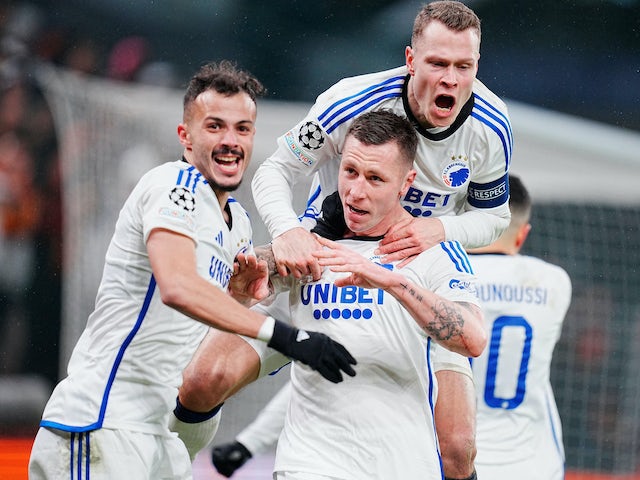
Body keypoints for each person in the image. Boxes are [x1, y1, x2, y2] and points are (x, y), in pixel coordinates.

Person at [175, 3, 511, 479]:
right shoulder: (351, 99)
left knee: (457, 449)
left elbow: (494, 215)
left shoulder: (492, 127)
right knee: (203, 380)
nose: (452, 79)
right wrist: (290, 232)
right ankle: (170, 469)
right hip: (319, 257)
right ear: (412, 59)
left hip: (418, 272)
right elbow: (276, 169)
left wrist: (439, 228)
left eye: (465, 66)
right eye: (438, 63)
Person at [27, 60, 356, 480]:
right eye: (214, 126)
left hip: (162, 437)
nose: (230, 141)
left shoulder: (236, 223)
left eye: (242, 129)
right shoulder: (174, 185)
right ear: (186, 136)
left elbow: (195, 331)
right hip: (103, 424)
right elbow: (178, 288)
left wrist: (235, 297)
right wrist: (288, 338)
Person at [278, 110, 486, 478]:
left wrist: (391, 281)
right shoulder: (307, 246)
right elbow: (242, 298)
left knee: (459, 447)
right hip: (309, 463)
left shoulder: (434, 253)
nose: (356, 191)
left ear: (406, 184)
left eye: (375, 178)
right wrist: (240, 289)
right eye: (350, 172)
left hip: (400, 464)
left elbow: (472, 338)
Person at [468, 174, 571, 479]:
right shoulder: (554, 282)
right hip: (536, 464)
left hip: (457, 461)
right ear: (522, 235)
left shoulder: (441, 278)